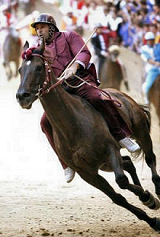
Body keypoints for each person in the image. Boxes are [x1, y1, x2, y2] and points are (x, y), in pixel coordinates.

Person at [30, 13, 140, 183]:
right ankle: (65, 164)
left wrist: (74, 67)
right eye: (37, 29)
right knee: (44, 122)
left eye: (42, 27)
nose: (39, 31)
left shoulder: (70, 36)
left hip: (80, 81)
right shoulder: (40, 49)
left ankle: (121, 136)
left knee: (98, 98)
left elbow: (85, 53)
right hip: (61, 90)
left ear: (51, 28)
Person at [141, 31, 160, 105]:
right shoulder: (144, 49)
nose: (150, 42)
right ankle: (146, 100)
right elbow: (148, 60)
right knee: (147, 86)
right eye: (149, 40)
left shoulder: (158, 46)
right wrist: (156, 63)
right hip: (152, 68)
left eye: (151, 40)